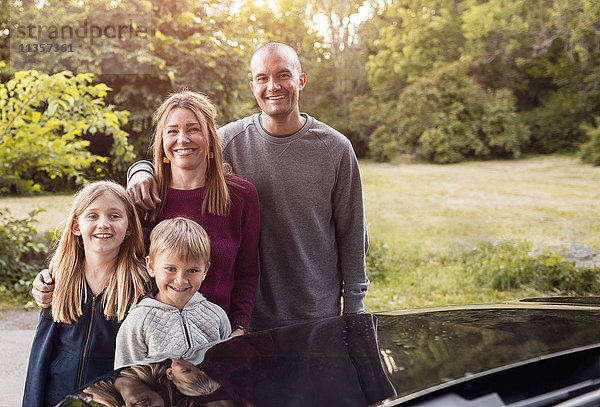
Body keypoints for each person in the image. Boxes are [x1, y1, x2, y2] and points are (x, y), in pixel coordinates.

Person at [126, 42, 370, 330]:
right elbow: (180, 151)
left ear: (300, 80)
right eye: (263, 78)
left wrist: (354, 309)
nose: (273, 86)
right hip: (250, 317)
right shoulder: (229, 140)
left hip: (315, 310)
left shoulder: (335, 149)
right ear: (252, 85)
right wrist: (139, 171)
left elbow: (353, 233)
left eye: (283, 75)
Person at [32, 90, 260, 336]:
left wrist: (238, 328)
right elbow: (95, 252)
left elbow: (247, 273)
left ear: (211, 137)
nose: (182, 139)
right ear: (161, 141)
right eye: (172, 131)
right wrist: (50, 279)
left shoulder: (241, 196)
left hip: (216, 336)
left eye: (193, 129)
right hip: (148, 339)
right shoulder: (142, 197)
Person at [22, 181, 152, 407]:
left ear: (130, 226)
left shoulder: (140, 283)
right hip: (59, 396)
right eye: (92, 216)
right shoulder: (59, 279)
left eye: (114, 216)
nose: (103, 224)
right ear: (76, 226)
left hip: (111, 398)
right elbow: (41, 354)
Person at [115, 217, 232, 369]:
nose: (180, 280)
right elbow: (126, 378)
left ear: (205, 270)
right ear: (151, 266)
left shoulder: (217, 316)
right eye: (171, 269)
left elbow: (230, 367)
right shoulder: (137, 322)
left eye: (192, 271)